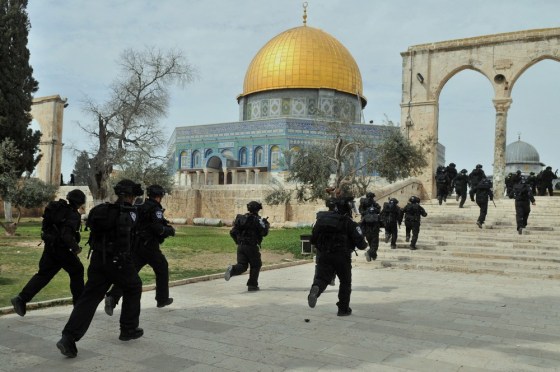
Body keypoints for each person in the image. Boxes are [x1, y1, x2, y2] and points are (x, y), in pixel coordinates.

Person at [56, 179, 144, 358]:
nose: (135, 199)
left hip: (97, 260)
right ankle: (128, 328)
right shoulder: (129, 213)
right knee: (134, 286)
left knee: (89, 298)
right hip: (118, 261)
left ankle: (68, 338)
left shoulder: (101, 211)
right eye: (133, 196)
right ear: (129, 196)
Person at [11, 190, 86, 317]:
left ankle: (21, 298)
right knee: (77, 270)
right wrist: (76, 248)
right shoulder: (72, 214)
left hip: (50, 247)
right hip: (62, 250)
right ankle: (79, 305)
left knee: (43, 275)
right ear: (79, 202)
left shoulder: (57, 210)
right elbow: (66, 235)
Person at [104, 184, 175, 315]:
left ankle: (113, 297)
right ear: (159, 196)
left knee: (130, 273)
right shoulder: (155, 209)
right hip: (150, 247)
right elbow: (158, 228)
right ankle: (162, 298)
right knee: (162, 267)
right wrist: (169, 231)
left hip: (137, 246)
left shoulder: (140, 206)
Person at [307, 196, 367, 316]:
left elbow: (313, 239)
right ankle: (343, 309)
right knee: (345, 282)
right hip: (342, 257)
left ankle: (316, 288)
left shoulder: (321, 220)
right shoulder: (349, 223)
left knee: (322, 278)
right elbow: (361, 245)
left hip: (323, 255)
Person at [224, 201, 270, 291]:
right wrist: (266, 225)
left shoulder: (241, 219)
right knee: (256, 265)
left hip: (240, 246)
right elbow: (264, 233)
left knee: (242, 265)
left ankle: (232, 269)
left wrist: (238, 241)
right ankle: (252, 285)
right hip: (251, 246)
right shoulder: (257, 220)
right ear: (257, 209)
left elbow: (232, 232)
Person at [358, 192, 381, 261]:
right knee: (374, 243)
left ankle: (373, 255)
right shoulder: (373, 203)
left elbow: (360, 211)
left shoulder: (364, 202)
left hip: (365, 222)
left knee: (371, 242)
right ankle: (370, 253)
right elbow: (378, 210)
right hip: (371, 224)